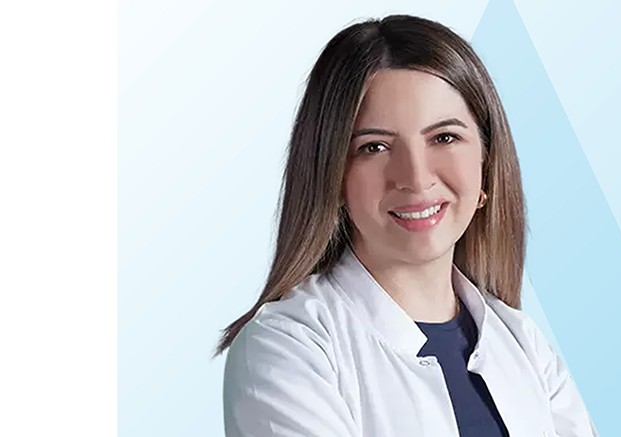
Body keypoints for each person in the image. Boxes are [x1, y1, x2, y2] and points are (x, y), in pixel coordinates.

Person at [217, 14, 598, 437]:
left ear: (486, 164)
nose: (415, 178)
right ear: (331, 174)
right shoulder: (287, 348)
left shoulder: (526, 347)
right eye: (374, 147)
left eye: (444, 138)